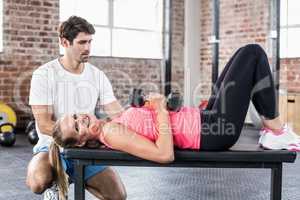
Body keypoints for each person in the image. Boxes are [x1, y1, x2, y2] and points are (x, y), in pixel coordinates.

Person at [50, 44, 300, 196]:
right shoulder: (112, 133)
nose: (80, 118)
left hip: (205, 120)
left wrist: (149, 106)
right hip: (212, 132)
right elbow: (164, 154)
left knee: (239, 58)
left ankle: (273, 131)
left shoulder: (108, 123)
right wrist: (159, 110)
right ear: (81, 142)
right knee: (252, 54)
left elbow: (146, 125)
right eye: (77, 125)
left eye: (75, 115)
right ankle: (276, 131)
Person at [26, 16, 126, 200]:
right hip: (52, 147)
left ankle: (69, 175)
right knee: (38, 181)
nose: (87, 48)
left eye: (89, 42)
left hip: (86, 146)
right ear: (64, 42)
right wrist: (79, 136)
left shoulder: (97, 76)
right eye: (82, 42)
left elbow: (119, 115)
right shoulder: (44, 74)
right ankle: (53, 184)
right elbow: (44, 124)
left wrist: (139, 118)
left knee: (117, 196)